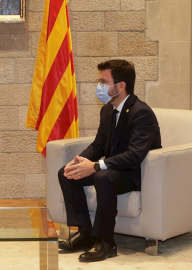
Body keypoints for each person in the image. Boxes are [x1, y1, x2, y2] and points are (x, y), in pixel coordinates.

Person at [57, 59, 161, 262]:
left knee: (103, 177)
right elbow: (98, 145)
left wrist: (95, 166)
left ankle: (106, 243)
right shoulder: (107, 110)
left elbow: (135, 155)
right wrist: (80, 161)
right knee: (67, 173)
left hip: (137, 172)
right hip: (113, 169)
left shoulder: (141, 113)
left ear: (120, 86)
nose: (99, 86)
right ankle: (86, 234)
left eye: (104, 82)